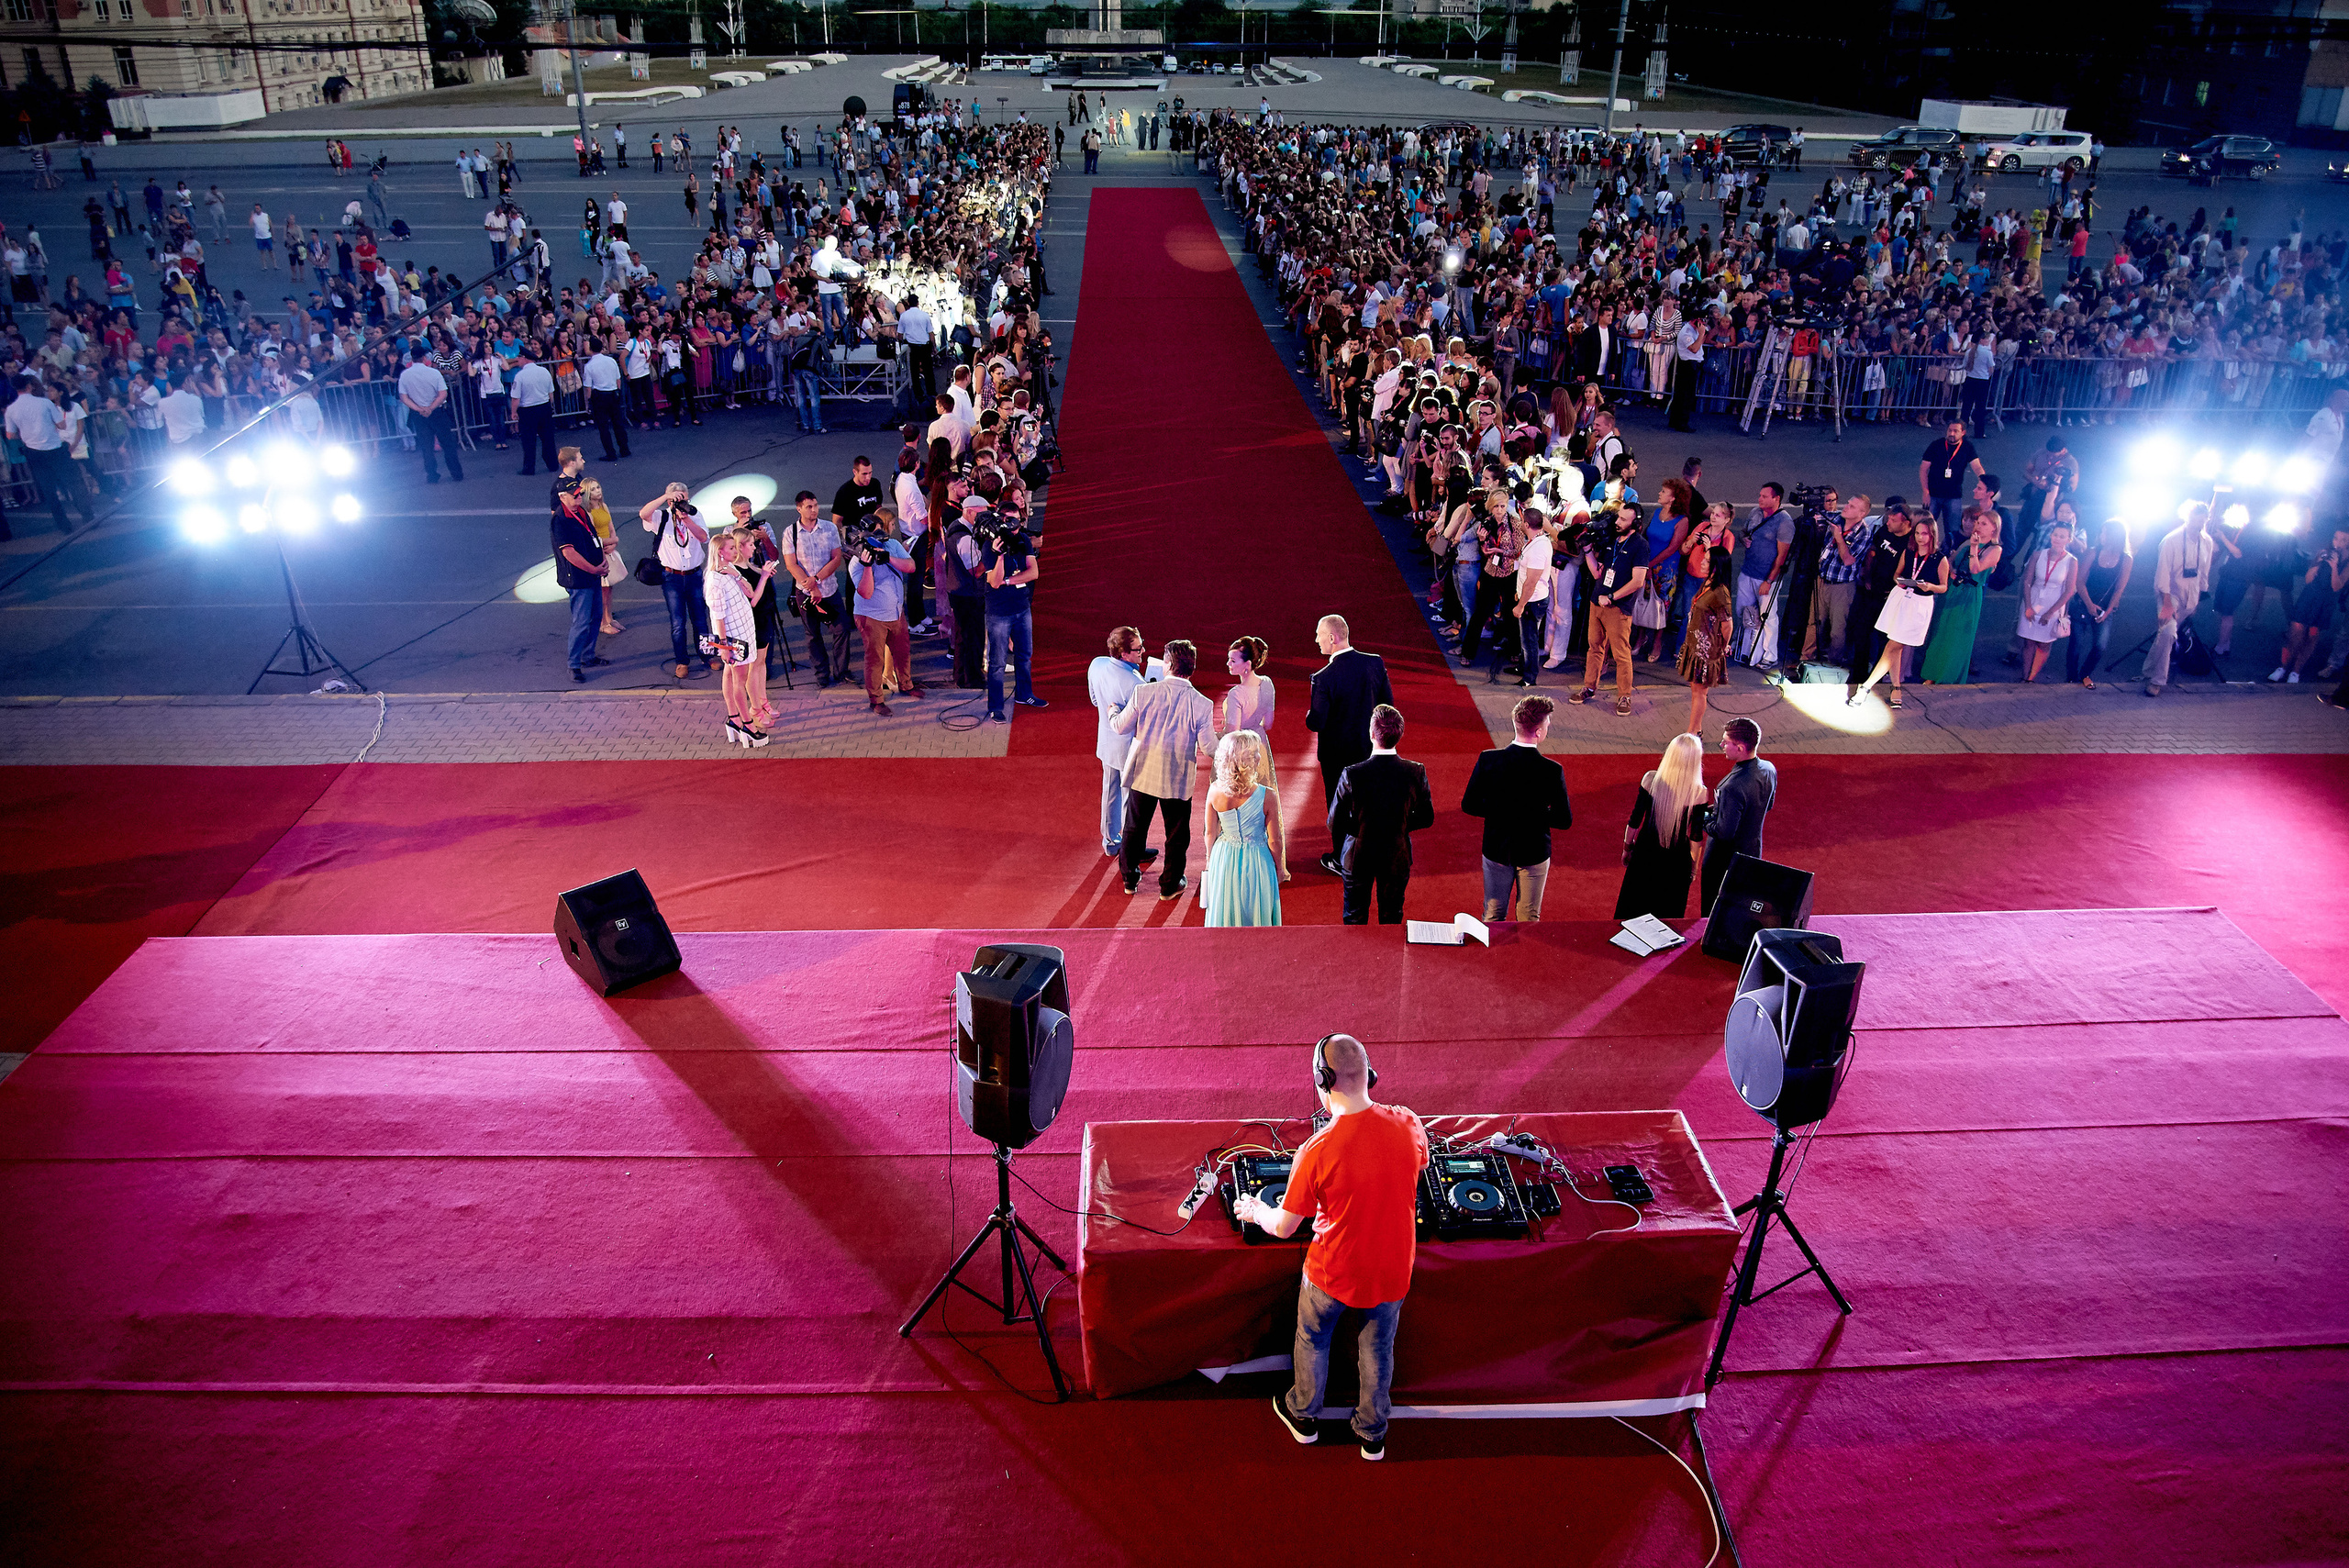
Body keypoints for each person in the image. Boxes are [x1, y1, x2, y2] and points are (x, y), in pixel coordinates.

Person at [1236, 1033, 1425, 1462]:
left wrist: (1253, 1210)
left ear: (1322, 1081)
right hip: (1393, 1271)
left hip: (1332, 1274)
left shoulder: (1316, 1149)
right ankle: (1372, 1434)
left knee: (1312, 1337)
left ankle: (1303, 1415)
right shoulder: (1410, 1122)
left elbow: (1284, 1227)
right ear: (1369, 1075)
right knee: (1378, 1348)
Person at [1111, 639, 1218, 900]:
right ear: (1191, 667)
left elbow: (1120, 727)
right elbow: (1209, 747)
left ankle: (1129, 878)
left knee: (1134, 827)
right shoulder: (1202, 704)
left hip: (1144, 771)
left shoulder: (1143, 692)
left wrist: (1113, 710)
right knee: (1177, 833)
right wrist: (1231, 739)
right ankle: (1170, 884)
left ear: (1168, 665)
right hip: (1177, 777)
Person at [1459, 694, 1573, 924]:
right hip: (1534, 851)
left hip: (1497, 848)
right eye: (1547, 724)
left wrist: (1500, 810)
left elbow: (1469, 804)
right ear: (1539, 732)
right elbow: (1564, 819)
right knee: (1529, 917)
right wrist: (1534, 813)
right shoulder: (1551, 770)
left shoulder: (1488, 760)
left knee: (1493, 915)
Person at [1327, 704, 1434, 927]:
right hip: (1396, 854)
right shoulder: (1415, 771)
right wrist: (1401, 825)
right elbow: (1426, 817)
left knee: (1354, 919)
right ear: (1399, 734)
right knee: (1392, 918)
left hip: (1358, 855)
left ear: (1372, 734)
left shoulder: (1353, 774)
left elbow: (1334, 822)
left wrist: (1359, 828)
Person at [1306, 614, 1394, 874]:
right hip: (1370, 751)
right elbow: (1387, 705)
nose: (1316, 640)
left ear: (1332, 638)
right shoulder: (1375, 663)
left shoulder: (1323, 677)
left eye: (1319, 635)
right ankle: (1372, 853)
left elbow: (1316, 722)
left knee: (1340, 805)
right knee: (1369, 804)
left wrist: (1309, 715)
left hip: (1336, 755)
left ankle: (1342, 859)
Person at [1854, 517, 1948, 710]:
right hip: (1901, 597)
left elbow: (1944, 586)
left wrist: (1929, 586)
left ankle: (1866, 686)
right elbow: (1897, 574)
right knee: (1894, 645)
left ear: (1932, 535)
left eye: (1924, 534)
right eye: (1917, 533)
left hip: (1920, 604)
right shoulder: (1909, 551)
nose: (1920, 538)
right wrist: (1900, 581)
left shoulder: (1940, 558)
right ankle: (1895, 687)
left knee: (1894, 645)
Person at [1568, 499, 1651, 717]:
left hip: (1618, 607)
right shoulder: (1612, 540)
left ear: (1636, 523)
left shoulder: (1640, 545)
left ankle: (1624, 696)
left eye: (1624, 519)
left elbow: (1638, 581)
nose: (1618, 521)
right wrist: (1587, 551)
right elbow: (1597, 573)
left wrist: (1612, 597)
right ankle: (1589, 687)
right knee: (1594, 648)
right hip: (1597, 602)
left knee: (1621, 654)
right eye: (1619, 517)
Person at [1616, 731, 1709, 921]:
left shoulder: (1651, 780)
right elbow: (1696, 836)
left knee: (1634, 909)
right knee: (1667, 915)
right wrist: (1693, 867)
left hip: (1645, 854)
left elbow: (1635, 820)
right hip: (1676, 862)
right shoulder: (1700, 793)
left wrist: (1627, 847)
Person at [1201, 728, 1287, 927]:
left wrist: (1210, 861)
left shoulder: (1214, 791)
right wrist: (1279, 869)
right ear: (1247, 760)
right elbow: (1275, 840)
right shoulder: (1268, 796)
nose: (1259, 756)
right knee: (1256, 912)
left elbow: (1210, 833)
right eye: (1256, 752)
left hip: (1223, 857)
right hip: (1257, 858)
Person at [1089, 626, 1156, 867]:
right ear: (1124, 653)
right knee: (1131, 801)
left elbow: (1096, 700)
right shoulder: (1134, 682)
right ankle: (1132, 848)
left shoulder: (1096, 664)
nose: (1143, 652)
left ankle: (1110, 842)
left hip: (1106, 743)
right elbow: (1142, 722)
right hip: (1129, 748)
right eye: (1138, 649)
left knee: (1110, 791)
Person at [1698, 717, 1776, 916]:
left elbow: (1723, 832)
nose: (1721, 745)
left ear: (1740, 748)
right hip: (1752, 854)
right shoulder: (1768, 769)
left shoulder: (1731, 787)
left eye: (1726, 742)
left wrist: (1700, 816)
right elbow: (1767, 805)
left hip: (1722, 862)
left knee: (1713, 912)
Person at [704, 528, 774, 746]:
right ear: (720, 552)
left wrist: (740, 575)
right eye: (731, 548)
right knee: (739, 681)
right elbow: (718, 616)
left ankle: (735, 719)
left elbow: (751, 595)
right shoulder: (715, 580)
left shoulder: (731, 570)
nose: (735, 551)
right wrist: (724, 645)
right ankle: (747, 725)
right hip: (734, 638)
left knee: (736, 679)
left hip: (745, 632)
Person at [641, 481, 714, 682]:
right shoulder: (661, 516)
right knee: (678, 622)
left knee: (700, 618)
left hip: (694, 575)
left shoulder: (694, 514)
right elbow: (643, 514)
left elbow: (703, 538)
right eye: (677, 498)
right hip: (671, 577)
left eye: (684, 498)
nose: (682, 502)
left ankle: (707, 655)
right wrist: (666, 499)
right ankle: (682, 661)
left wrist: (687, 519)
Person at [851, 505, 919, 716]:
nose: (880, 538)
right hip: (872, 617)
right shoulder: (857, 562)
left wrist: (888, 558)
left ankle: (906, 685)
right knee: (875, 659)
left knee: (902, 652)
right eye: (874, 534)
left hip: (896, 612)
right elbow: (866, 593)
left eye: (881, 532)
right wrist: (869, 566)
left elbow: (911, 567)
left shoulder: (893, 545)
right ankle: (876, 700)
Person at [2143, 502, 2216, 698]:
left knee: (2165, 635)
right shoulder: (2171, 540)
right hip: (2170, 594)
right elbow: (2162, 574)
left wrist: (2199, 597)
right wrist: (2167, 603)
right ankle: (2157, 681)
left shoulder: (2207, 541)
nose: (2198, 523)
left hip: (2190, 594)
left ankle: (2149, 670)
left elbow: (2203, 572)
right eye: (2195, 518)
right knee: (2168, 633)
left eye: (2202, 519)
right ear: (2186, 517)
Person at [1920, 506, 2000, 684]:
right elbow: (1949, 561)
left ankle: (1947, 678)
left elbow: (1975, 569)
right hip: (1952, 591)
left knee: (1956, 637)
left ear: (1994, 528)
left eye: (1983, 524)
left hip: (1968, 597)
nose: (1978, 526)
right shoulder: (1966, 543)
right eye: (1977, 522)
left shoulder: (1995, 549)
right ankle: (1932, 674)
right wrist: (1952, 571)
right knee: (1941, 632)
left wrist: (1973, 546)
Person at [782, 488, 852, 688]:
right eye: (809, 507)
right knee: (813, 635)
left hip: (829, 589)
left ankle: (841, 671)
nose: (814, 510)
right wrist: (810, 586)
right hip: (805, 594)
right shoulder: (790, 532)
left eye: (816, 505)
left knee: (841, 629)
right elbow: (791, 564)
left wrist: (817, 579)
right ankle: (821, 674)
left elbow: (836, 558)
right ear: (799, 509)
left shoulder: (829, 528)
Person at [5, 374, 89, 534]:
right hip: (55, 447)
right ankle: (87, 515)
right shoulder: (44, 403)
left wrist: (24, 433)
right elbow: (62, 425)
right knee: (73, 481)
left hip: (33, 451)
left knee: (48, 490)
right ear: (29, 386)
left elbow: (10, 434)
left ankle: (64, 525)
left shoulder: (11, 409)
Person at [980, 513, 1043, 723]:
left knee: (1024, 655)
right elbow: (994, 582)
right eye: (1010, 523)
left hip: (1022, 607)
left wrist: (1008, 580)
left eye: (1017, 523)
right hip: (999, 613)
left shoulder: (1024, 540)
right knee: (997, 663)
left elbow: (1033, 572)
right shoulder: (990, 546)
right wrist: (999, 556)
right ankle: (995, 707)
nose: (1014, 529)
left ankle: (1025, 694)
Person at [2276, 528, 2349, 684]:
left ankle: (2296, 671)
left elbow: (2337, 587)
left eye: (2344, 540)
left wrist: (2335, 567)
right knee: (2295, 634)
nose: (2338, 543)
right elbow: (2308, 579)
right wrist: (2318, 563)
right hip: (2309, 597)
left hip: (2325, 603)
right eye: (2336, 538)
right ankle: (2282, 667)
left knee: (2312, 637)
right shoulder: (2323, 553)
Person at [1735, 483, 1796, 669]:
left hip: (1765, 578)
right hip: (1748, 571)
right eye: (1760, 495)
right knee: (1743, 612)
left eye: (1764, 496)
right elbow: (1744, 533)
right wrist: (1743, 539)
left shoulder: (1785, 523)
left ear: (1776, 499)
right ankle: (1746, 649)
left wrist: (1769, 581)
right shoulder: (1755, 513)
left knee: (1767, 617)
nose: (1759, 499)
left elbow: (1781, 556)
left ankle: (1770, 655)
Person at [2067, 517, 2132, 687]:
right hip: (2083, 602)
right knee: (2076, 644)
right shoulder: (2093, 552)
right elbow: (2080, 581)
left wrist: (2108, 611)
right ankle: (2072, 676)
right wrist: (2089, 604)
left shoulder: (2126, 559)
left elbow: (2119, 589)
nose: (2101, 535)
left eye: (2104, 532)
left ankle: (2085, 674)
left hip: (2104, 608)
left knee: (2100, 646)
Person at [551, 486, 607, 684]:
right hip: (579, 578)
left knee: (595, 616)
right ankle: (574, 664)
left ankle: (588, 656)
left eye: (580, 494)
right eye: (575, 496)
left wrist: (601, 560)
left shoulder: (580, 511)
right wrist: (594, 569)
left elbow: (593, 539)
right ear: (562, 497)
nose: (579, 498)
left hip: (593, 574)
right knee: (582, 622)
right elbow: (569, 554)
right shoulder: (561, 520)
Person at [2013, 517, 2079, 684]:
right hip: (2034, 599)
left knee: (2044, 643)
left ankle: (2032, 677)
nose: (2057, 539)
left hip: (2054, 603)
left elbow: (2069, 590)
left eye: (2062, 536)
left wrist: (2051, 613)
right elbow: (2028, 581)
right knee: (2028, 641)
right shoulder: (2038, 555)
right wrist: (2028, 606)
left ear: (2069, 540)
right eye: (2055, 535)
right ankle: (2024, 675)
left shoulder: (2071, 561)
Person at [1678, 542, 1735, 734]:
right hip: (1696, 644)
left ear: (1717, 566)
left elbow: (1728, 625)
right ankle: (1696, 730)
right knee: (1696, 691)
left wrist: (1721, 647)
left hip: (1706, 650)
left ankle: (1693, 732)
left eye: (1707, 561)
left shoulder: (1721, 592)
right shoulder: (1708, 583)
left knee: (1699, 692)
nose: (1702, 562)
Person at [396, 345, 462, 484]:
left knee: (426, 447)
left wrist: (419, 408)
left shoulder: (405, 375)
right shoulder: (434, 373)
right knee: (448, 444)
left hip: (418, 414)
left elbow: (404, 397)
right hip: (437, 411)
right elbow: (443, 393)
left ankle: (432, 475)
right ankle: (456, 472)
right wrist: (430, 408)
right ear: (424, 358)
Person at [1918, 418, 1984, 550]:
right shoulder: (1936, 445)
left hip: (1954, 496)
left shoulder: (1967, 447)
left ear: (1963, 432)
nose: (1951, 433)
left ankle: (1949, 555)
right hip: (1933, 495)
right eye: (1949, 430)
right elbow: (1923, 469)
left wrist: (1984, 481)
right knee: (1925, 527)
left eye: (1955, 431)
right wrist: (1926, 492)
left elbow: (1976, 466)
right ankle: (1926, 553)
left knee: (1953, 530)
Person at [510, 343, 558, 475]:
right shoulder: (544, 371)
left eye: (519, 358)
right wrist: (550, 406)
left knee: (528, 441)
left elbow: (516, 398)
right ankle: (553, 464)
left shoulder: (520, 376)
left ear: (524, 358)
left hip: (528, 410)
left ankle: (529, 467)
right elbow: (551, 393)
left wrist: (513, 413)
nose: (517, 361)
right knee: (548, 438)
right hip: (544, 406)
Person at [582, 336, 629, 462]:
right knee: (618, 423)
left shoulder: (589, 366)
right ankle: (624, 449)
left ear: (591, 349)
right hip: (613, 393)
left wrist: (588, 402)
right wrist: (617, 392)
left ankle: (610, 453)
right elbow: (618, 379)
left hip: (599, 396)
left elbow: (588, 387)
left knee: (603, 427)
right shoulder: (611, 361)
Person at [1221, 636, 1275, 736]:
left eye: (1233, 661)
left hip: (1242, 748)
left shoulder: (1235, 693)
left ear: (1247, 664)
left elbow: (1232, 735)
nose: (1228, 663)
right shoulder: (1267, 682)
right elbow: (1268, 724)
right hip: (1260, 743)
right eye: (1229, 659)